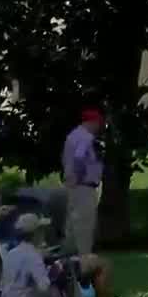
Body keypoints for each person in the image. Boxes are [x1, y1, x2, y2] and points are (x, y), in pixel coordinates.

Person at [0, 213, 71, 297]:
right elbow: (45, 288)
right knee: (53, 292)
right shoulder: (33, 255)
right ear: (35, 233)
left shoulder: (10, 254)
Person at [62, 108, 104, 255]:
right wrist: (79, 176)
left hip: (73, 186)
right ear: (92, 122)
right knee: (85, 223)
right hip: (84, 186)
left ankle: (69, 256)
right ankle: (84, 257)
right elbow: (79, 157)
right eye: (98, 123)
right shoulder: (86, 137)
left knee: (72, 224)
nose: (99, 127)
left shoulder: (72, 136)